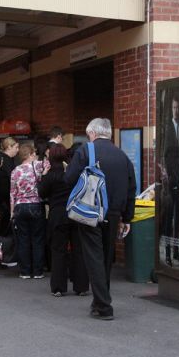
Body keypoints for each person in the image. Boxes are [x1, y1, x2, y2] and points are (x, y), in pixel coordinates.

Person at [65, 118, 136, 321]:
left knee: (94, 257)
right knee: (105, 258)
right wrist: (127, 217)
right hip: (113, 214)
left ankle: (104, 306)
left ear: (93, 133)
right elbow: (132, 188)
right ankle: (99, 302)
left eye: (89, 135)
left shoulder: (86, 151)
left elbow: (69, 178)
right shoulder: (123, 156)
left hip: (91, 212)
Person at [38, 144, 88, 296]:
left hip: (57, 215)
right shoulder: (73, 174)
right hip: (75, 213)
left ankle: (59, 287)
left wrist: (43, 176)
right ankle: (81, 286)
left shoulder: (51, 175)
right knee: (78, 250)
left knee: (58, 251)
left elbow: (41, 193)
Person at [10, 143, 48, 279]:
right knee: (37, 239)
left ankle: (25, 271)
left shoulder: (15, 171)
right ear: (31, 154)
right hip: (35, 205)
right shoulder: (38, 166)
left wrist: (12, 212)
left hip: (20, 206)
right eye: (35, 154)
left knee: (23, 239)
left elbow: (12, 193)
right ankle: (38, 271)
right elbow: (48, 163)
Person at [162, 94, 179, 266]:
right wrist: (165, 176)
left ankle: (177, 252)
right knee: (169, 218)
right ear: (171, 109)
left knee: (177, 218)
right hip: (169, 180)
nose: (176, 111)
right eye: (174, 108)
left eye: (178, 108)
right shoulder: (166, 129)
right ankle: (168, 254)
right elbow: (163, 154)